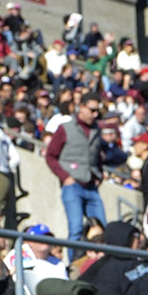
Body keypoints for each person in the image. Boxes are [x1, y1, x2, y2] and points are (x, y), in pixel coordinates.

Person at [44, 95, 106, 241]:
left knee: (101, 229)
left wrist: (99, 175)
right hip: (73, 185)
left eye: (97, 111)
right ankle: (73, 263)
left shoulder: (96, 131)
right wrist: (66, 178)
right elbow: (50, 156)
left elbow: (98, 157)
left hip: (92, 186)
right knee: (76, 229)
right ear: (81, 107)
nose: (95, 114)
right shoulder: (66, 128)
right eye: (92, 110)